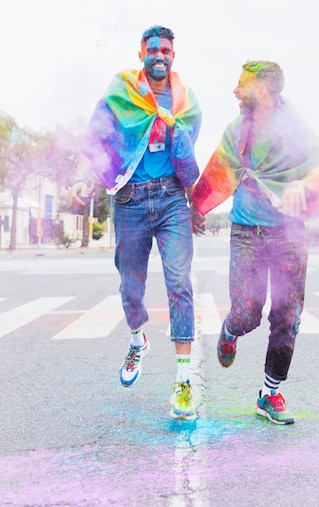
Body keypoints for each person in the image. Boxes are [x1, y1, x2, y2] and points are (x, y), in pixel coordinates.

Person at [192, 60, 319, 425]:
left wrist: (302, 187)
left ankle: (269, 393)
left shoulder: (296, 128)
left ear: (261, 90)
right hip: (246, 231)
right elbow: (219, 171)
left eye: (241, 83)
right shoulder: (237, 129)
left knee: (287, 317)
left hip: (289, 232)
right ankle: (231, 330)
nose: (234, 89)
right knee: (247, 312)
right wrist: (196, 207)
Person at [69, 25, 202, 420]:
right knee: (130, 287)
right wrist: (81, 176)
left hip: (171, 200)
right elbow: (94, 139)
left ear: (173, 56)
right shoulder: (120, 93)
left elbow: (189, 157)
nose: (159, 54)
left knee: (180, 282)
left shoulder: (187, 102)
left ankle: (183, 382)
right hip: (129, 200)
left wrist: (197, 203)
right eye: (152, 49)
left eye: (165, 49)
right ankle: (136, 339)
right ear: (141, 54)